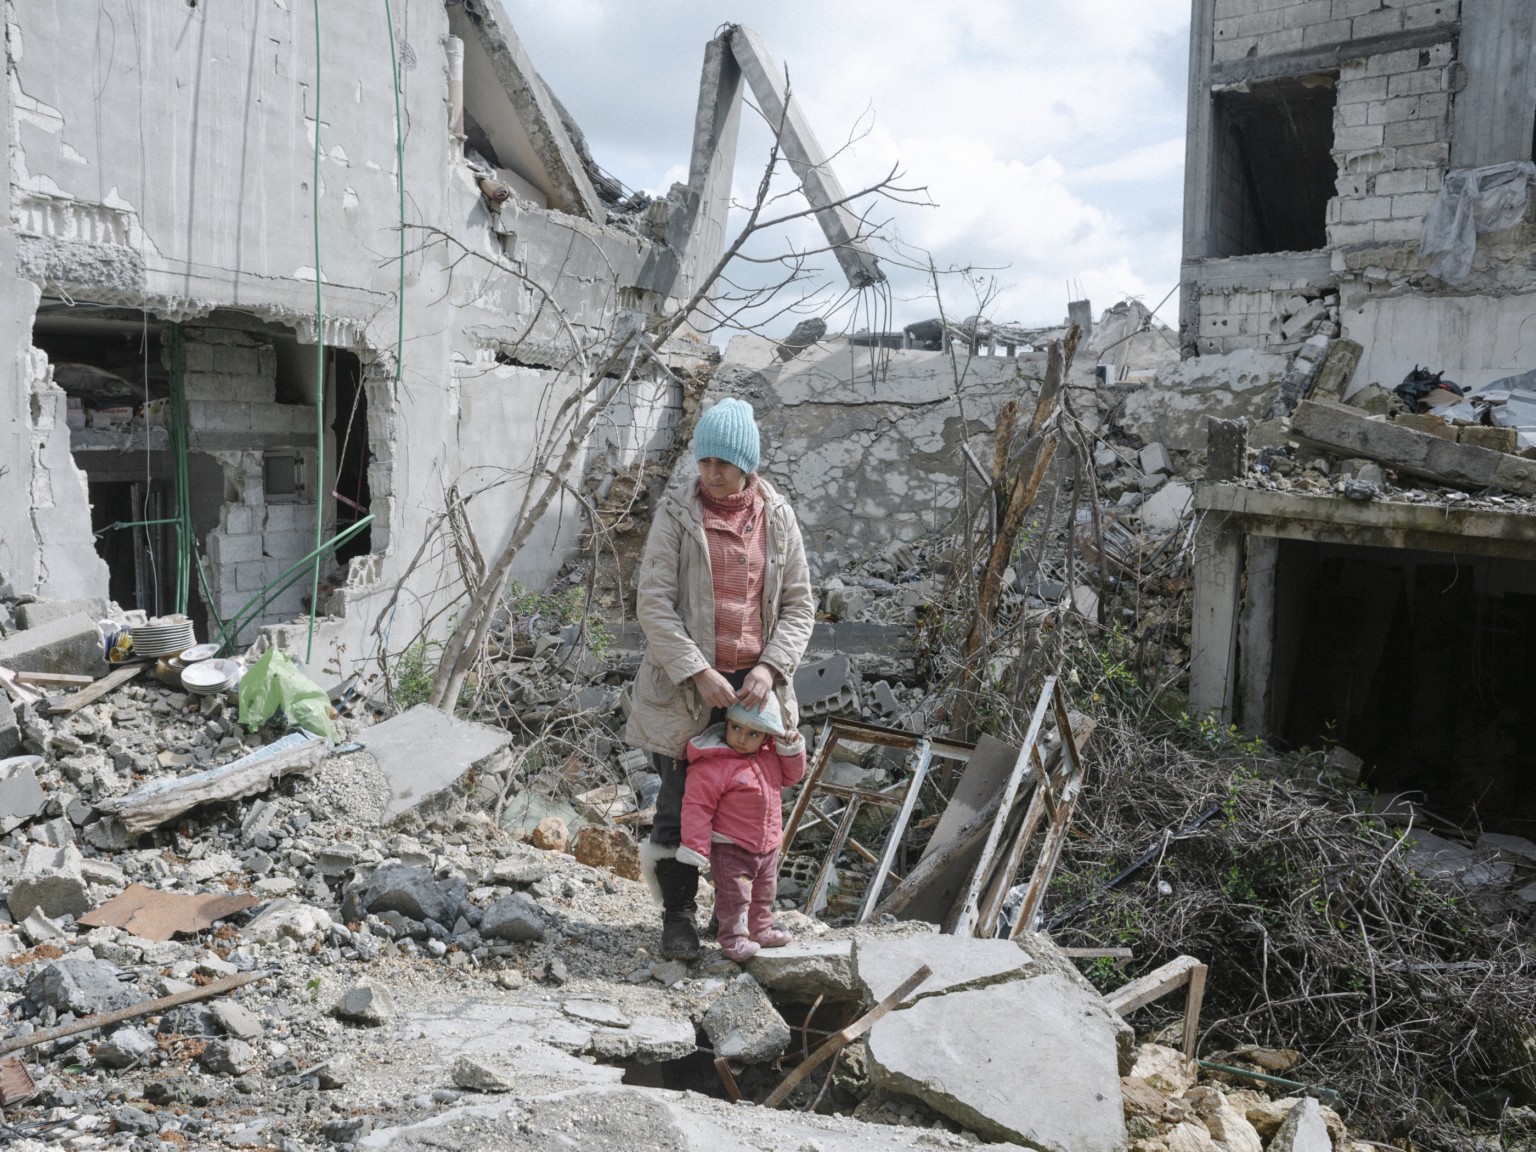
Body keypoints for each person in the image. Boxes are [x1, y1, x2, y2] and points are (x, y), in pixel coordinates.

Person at [625, 397, 816, 961]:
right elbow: (653, 603)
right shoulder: (677, 514)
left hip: (755, 690)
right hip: (687, 690)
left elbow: (800, 605)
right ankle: (678, 918)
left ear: (746, 465)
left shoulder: (777, 517)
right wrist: (697, 670)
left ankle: (733, 917)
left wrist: (769, 667)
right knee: (680, 805)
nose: (710, 473)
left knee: (748, 809)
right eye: (704, 461)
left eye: (722, 464)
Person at [676, 696, 805, 961]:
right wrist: (695, 846)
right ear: (727, 723)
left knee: (763, 893)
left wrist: (790, 749)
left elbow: (793, 777)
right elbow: (697, 806)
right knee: (735, 897)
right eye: (736, 728)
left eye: (753, 733)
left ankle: (760, 929)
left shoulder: (770, 756)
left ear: (766, 735)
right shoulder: (713, 763)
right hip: (731, 846)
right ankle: (733, 939)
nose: (742, 738)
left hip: (767, 845)